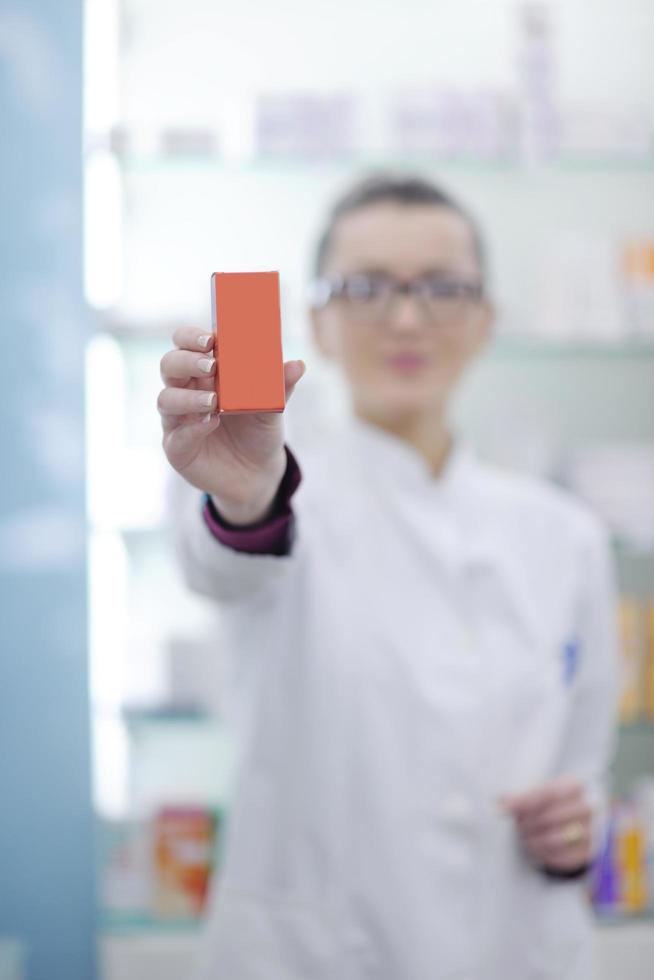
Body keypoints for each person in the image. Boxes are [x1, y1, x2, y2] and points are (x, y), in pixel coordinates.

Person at [157, 174, 619, 980]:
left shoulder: (565, 536)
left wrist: (578, 832)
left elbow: (582, 769)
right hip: (315, 957)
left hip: (515, 950)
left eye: (442, 287)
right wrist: (243, 496)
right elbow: (227, 560)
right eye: (365, 287)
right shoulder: (272, 483)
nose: (406, 318)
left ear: (487, 321)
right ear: (317, 325)